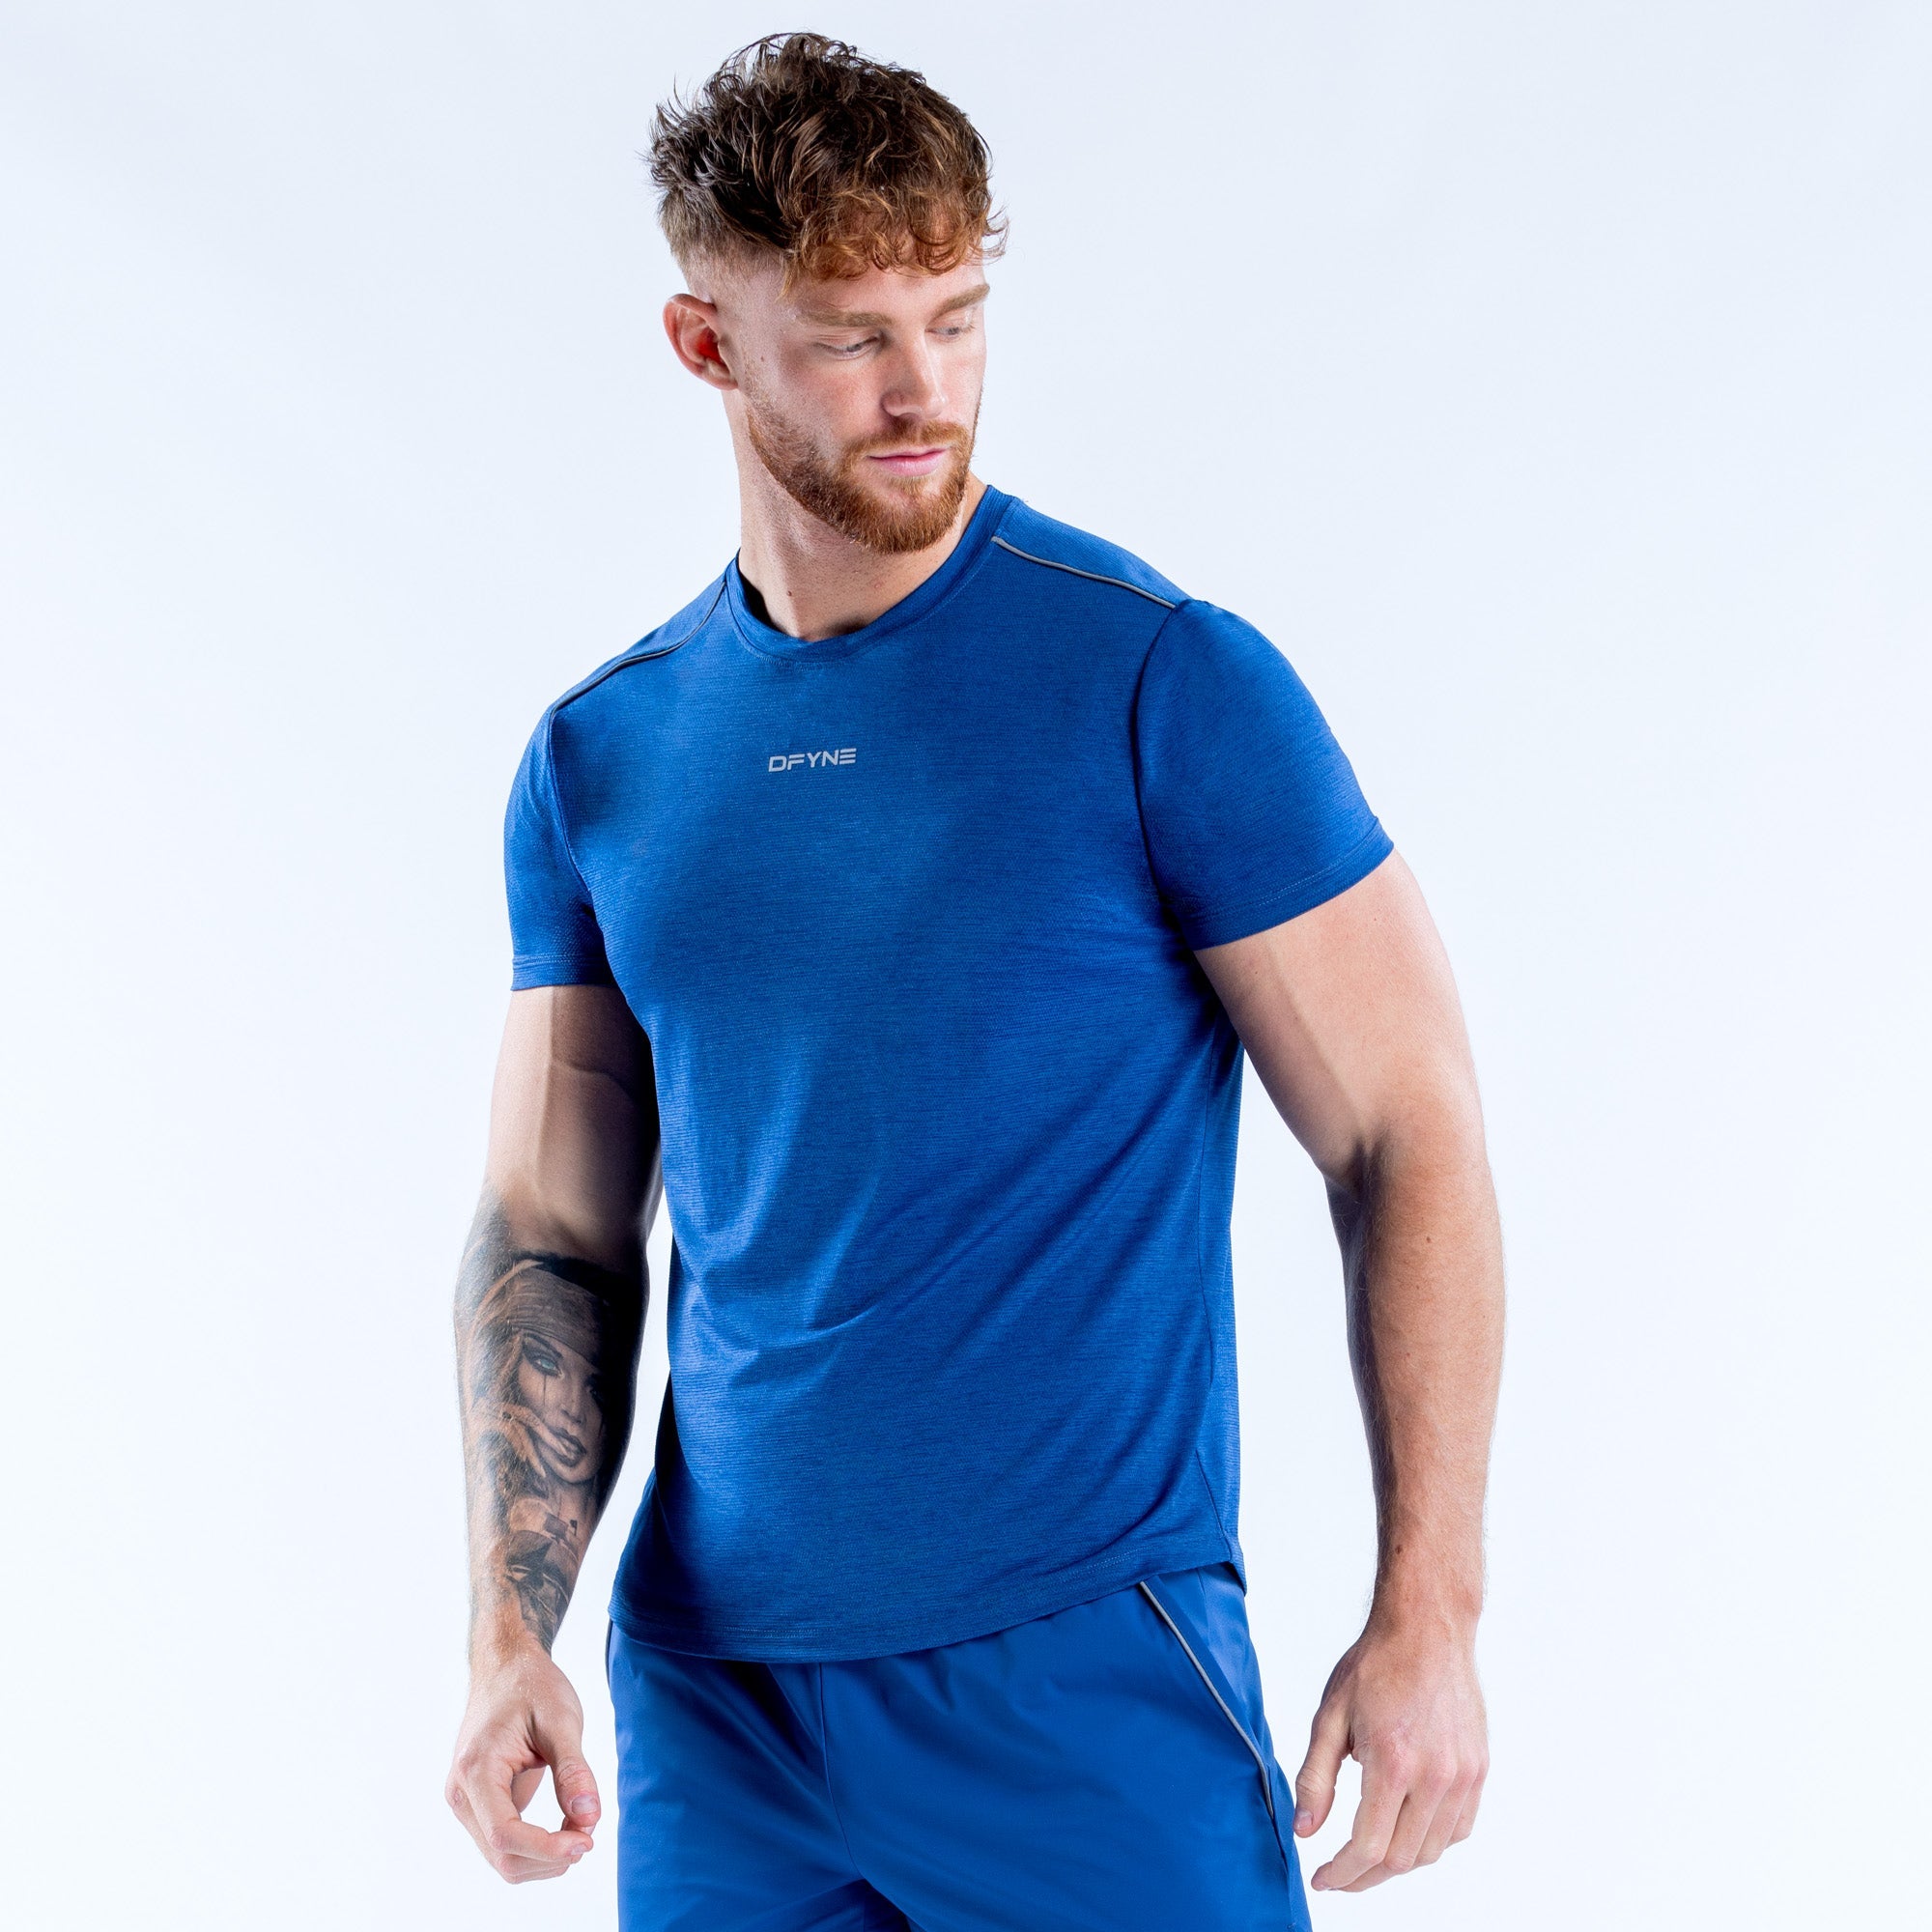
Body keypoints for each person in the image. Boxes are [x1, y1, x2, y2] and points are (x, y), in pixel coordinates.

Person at [445, 33, 1503, 1931]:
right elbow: (554, 1230)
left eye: (954, 317)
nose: (922, 387)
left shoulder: (1161, 681)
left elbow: (1405, 1129)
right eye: (851, 337)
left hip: (1085, 1670)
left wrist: (1431, 1609)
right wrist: (507, 1633)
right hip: (721, 1711)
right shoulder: (602, 759)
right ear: (705, 344)